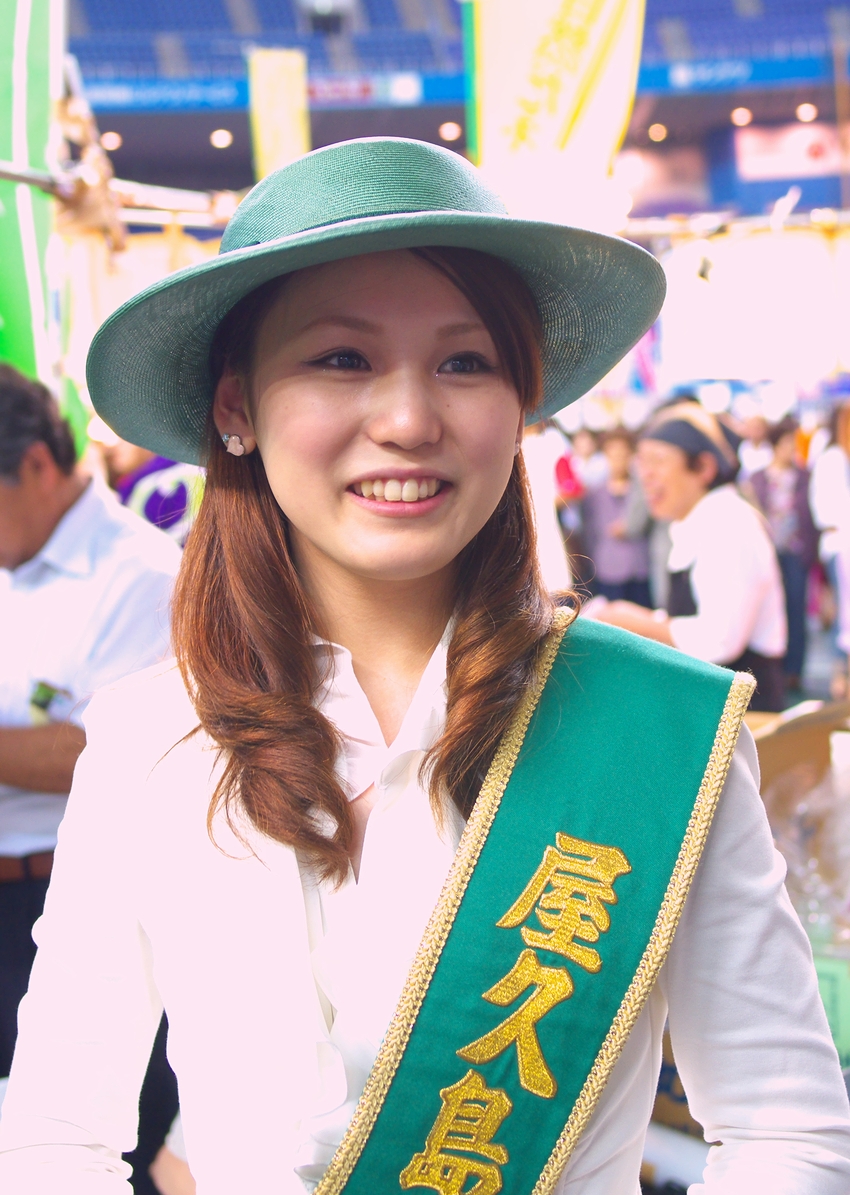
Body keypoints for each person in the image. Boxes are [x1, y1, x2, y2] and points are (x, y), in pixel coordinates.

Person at [1, 139, 848, 1195]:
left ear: (521, 400)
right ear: (236, 407)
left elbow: (788, 1135)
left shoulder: (658, 734)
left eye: (464, 362)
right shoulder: (144, 738)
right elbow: (52, 1137)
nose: (408, 420)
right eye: (341, 360)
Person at [0, 365, 180, 1081]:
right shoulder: (13, 552)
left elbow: (108, 754)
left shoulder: (142, 577)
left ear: (35, 464)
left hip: (59, 902)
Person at [593, 403, 788, 712]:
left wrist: (630, 620)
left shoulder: (728, 522)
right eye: (641, 462)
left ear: (703, 467)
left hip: (745, 714)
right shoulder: (694, 521)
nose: (646, 476)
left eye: (658, 461)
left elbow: (719, 639)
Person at [748, 418, 818, 692]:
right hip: (769, 553)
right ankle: (773, 668)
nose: (791, 451)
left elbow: (810, 518)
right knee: (771, 610)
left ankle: (794, 670)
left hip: (796, 552)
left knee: (796, 610)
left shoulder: (804, 477)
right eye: (787, 445)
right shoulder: (758, 478)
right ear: (775, 447)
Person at [581, 429, 651, 607]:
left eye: (623, 454)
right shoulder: (594, 493)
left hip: (640, 567)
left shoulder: (643, 490)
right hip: (608, 568)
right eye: (613, 454)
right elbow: (590, 532)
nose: (618, 460)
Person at [809, 403, 850, 698]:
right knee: (842, 614)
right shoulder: (831, 458)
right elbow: (824, 510)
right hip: (840, 545)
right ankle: (840, 674)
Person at [521, 419, 572, 593]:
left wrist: (547, 503)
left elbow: (572, 485)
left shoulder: (552, 442)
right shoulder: (509, 445)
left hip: (547, 527)